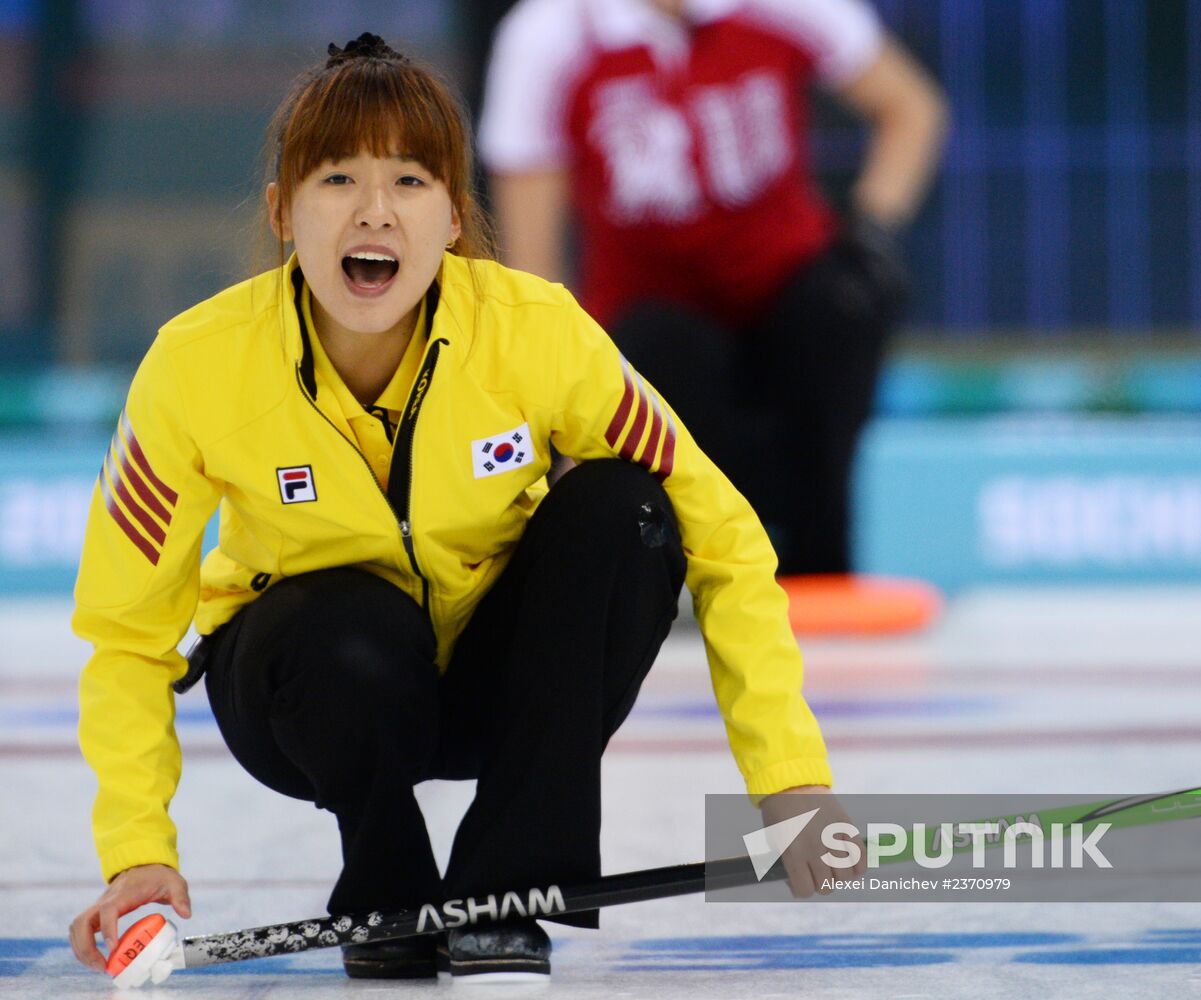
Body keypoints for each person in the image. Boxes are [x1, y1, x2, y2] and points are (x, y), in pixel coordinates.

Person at [66, 33, 863, 983]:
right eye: (336, 181)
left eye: (410, 181)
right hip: (312, 695)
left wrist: (790, 780)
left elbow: (721, 535)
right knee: (348, 619)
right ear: (282, 213)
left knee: (625, 509)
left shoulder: (536, 333)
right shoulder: (195, 368)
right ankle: (387, 898)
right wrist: (137, 850)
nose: (374, 212)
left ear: (452, 217)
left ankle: (505, 894)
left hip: (501, 688)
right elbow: (126, 639)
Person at [480, 0, 947, 575]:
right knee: (660, 350)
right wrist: (558, 426)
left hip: (786, 293)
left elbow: (911, 108)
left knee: (841, 304)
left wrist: (872, 231)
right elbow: (535, 266)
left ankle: (823, 563)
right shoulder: (548, 35)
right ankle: (696, 564)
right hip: (652, 316)